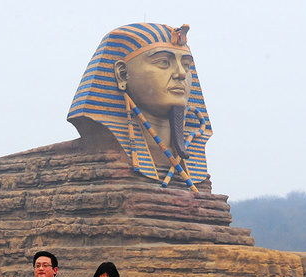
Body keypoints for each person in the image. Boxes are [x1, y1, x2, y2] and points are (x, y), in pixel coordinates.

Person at [68, 23, 212, 190]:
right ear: (122, 74)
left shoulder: (198, 177)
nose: (181, 73)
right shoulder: (106, 166)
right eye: (164, 62)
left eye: (186, 65)